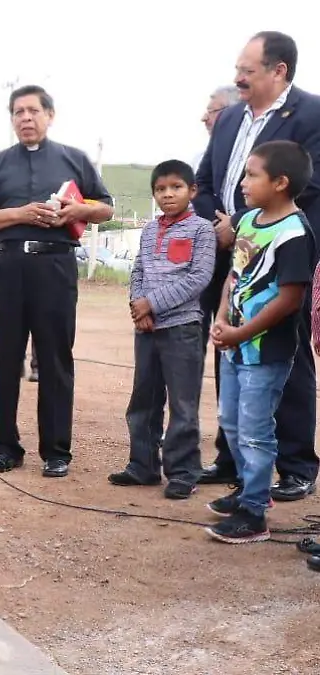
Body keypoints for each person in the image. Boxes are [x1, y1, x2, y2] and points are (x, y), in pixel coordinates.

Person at [193, 31, 320, 502]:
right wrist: (222, 227)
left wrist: (246, 226)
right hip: (228, 252)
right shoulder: (228, 120)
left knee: (285, 355)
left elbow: (310, 187)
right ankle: (235, 458)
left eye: (247, 70)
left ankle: (295, 464)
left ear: (278, 70)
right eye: (238, 69)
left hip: (279, 252)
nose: (237, 77)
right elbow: (206, 181)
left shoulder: (311, 114)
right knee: (229, 345)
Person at [0, 84, 114, 479]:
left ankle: (56, 450)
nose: (26, 118)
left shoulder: (74, 159)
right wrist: (19, 214)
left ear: (50, 115)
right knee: (6, 356)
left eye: (33, 111)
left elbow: (106, 207)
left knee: (54, 357)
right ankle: (6, 446)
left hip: (56, 267)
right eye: (18, 112)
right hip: (10, 266)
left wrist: (76, 210)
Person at [205, 140, 314, 544]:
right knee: (231, 422)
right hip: (234, 344)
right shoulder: (249, 220)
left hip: (264, 351)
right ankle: (252, 490)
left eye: (253, 175)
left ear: (281, 183)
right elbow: (234, 277)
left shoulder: (294, 233)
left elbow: (290, 299)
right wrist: (220, 319)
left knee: (255, 429)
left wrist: (241, 332)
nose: (244, 182)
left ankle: (254, 515)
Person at [107, 160, 216, 499]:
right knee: (143, 400)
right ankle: (143, 466)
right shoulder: (151, 229)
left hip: (182, 328)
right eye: (160, 189)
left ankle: (183, 472)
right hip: (147, 329)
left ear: (192, 191)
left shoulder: (201, 230)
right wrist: (139, 307)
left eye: (176, 187)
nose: (167, 194)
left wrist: (152, 304)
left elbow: (198, 278)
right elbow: (138, 270)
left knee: (183, 405)